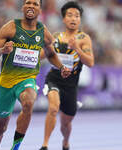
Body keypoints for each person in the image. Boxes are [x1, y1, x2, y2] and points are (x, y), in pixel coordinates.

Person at [0, 0, 71, 150]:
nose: (31, 6)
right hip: (6, 83)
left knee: (29, 101)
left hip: (27, 79)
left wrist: (61, 66)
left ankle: (15, 147)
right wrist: (1, 52)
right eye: (28, 3)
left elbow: (51, 53)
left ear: (40, 9)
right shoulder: (10, 28)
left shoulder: (42, 31)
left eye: (35, 4)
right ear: (23, 7)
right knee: (0, 127)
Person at [39, 1, 94, 150]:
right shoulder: (56, 36)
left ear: (80, 19)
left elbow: (90, 62)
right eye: (70, 15)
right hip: (54, 79)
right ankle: (45, 145)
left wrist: (77, 48)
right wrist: (30, 54)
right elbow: (44, 54)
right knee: (53, 108)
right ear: (63, 19)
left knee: (66, 123)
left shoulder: (84, 38)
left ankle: (65, 141)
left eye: (77, 16)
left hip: (71, 85)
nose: (73, 18)